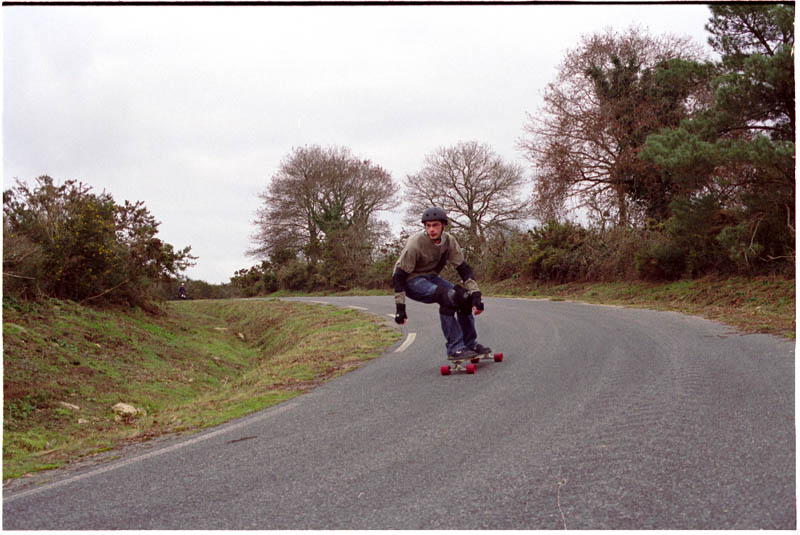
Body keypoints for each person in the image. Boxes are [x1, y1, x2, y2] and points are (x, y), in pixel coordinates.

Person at [392, 207, 491, 361]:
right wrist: (400, 308)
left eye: (435, 225)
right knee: (448, 297)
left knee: (463, 298)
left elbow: (463, 268)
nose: (431, 230)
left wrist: (476, 294)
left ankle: (470, 344)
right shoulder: (415, 243)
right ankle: (455, 349)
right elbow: (399, 276)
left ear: (443, 225)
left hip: (430, 277)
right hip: (410, 281)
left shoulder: (449, 241)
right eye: (428, 226)